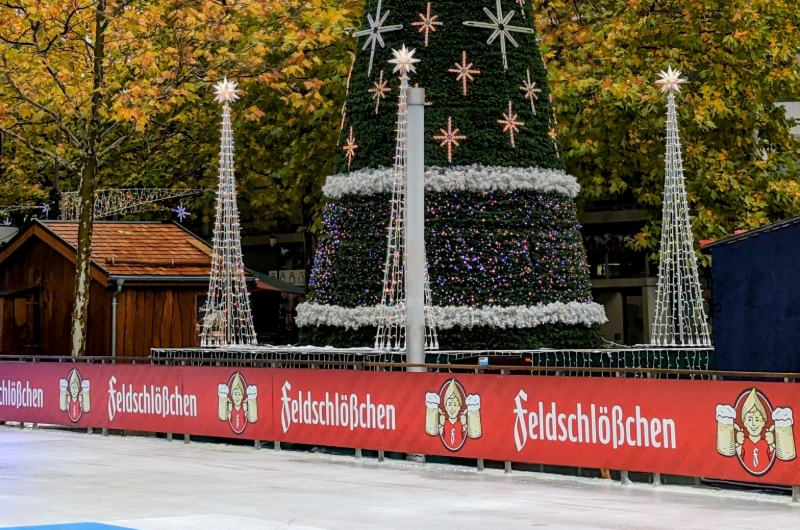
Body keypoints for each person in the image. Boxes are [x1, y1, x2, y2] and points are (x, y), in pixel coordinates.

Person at [736, 388, 775, 474]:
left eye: (757, 419)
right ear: (745, 423)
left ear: (763, 422)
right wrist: (739, 444)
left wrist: (771, 444)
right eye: (750, 420)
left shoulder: (766, 444)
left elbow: (775, 461)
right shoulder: (743, 443)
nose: (753, 424)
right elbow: (736, 460)